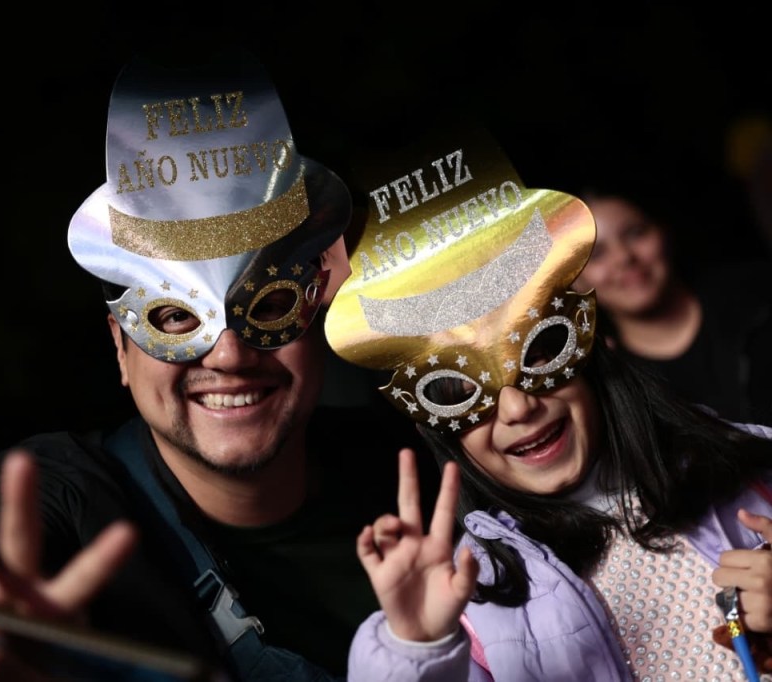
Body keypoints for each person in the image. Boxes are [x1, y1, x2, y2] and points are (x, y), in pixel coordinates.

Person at [0, 51, 430, 681]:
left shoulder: (402, 467)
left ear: (317, 315)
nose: (229, 353)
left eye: (270, 306)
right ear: (120, 347)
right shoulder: (72, 496)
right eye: (175, 317)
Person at [323, 133, 772, 681]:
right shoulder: (468, 601)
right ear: (436, 428)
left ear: (592, 353)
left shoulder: (752, 475)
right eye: (459, 391)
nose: (516, 407)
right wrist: (415, 650)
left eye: (537, 354)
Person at [570, 181, 772, 426]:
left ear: (663, 232)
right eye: (597, 254)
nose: (624, 257)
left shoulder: (758, 290)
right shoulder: (614, 383)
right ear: (577, 281)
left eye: (635, 233)